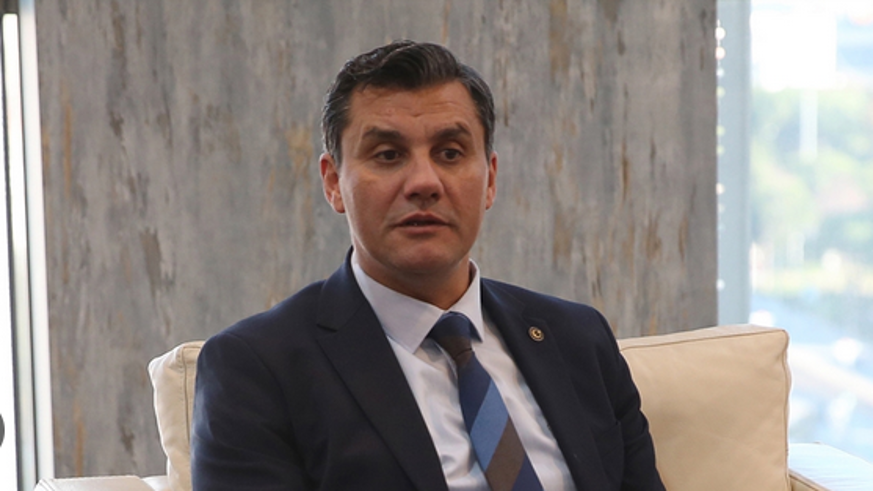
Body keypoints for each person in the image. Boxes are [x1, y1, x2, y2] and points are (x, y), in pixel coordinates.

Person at [191, 40, 665, 491]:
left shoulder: (578, 338)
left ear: (490, 180)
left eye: (450, 153)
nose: (424, 182)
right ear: (334, 182)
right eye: (388, 155)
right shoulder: (256, 368)